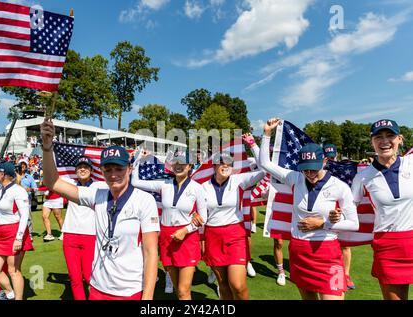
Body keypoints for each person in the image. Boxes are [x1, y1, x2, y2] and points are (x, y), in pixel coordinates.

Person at [41, 118, 159, 300]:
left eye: (118, 168)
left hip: (130, 290)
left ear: (129, 169)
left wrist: (148, 297)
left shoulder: (145, 201)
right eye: (108, 169)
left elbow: (151, 253)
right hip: (97, 288)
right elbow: (53, 182)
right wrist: (47, 148)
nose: (113, 174)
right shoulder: (97, 195)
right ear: (102, 171)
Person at [259, 118, 359, 300]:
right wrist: (267, 133)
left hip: (328, 253)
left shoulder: (340, 186)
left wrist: (323, 224)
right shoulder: (295, 178)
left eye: (314, 169)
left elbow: (354, 224)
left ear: (325, 162)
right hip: (299, 251)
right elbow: (265, 163)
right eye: (306, 169)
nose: (310, 174)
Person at [194, 133, 267, 300]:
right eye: (222, 163)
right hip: (213, 236)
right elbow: (202, 217)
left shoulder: (238, 180)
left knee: (238, 286)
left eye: (229, 163)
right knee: (224, 286)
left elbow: (264, 169)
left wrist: (253, 144)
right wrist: (195, 219)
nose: (226, 166)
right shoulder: (202, 187)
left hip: (235, 235)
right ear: (214, 166)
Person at [131, 149, 207, 300]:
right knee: (177, 290)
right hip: (166, 238)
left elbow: (203, 218)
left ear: (190, 165)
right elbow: (134, 182)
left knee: (184, 291)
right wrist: (138, 159)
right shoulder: (164, 184)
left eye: (183, 163)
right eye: (176, 163)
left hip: (187, 238)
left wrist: (185, 230)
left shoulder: (197, 188)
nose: (179, 166)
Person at [351, 119, 413, 300]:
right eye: (378, 137)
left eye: (390, 135)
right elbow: (349, 210)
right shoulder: (362, 177)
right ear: (372, 142)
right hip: (387, 245)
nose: (384, 141)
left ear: (400, 139)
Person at [60, 156, 107, 300]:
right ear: (75, 170)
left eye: (85, 167)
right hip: (70, 236)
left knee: (89, 275)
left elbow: (121, 180)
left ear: (91, 170)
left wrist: (135, 160)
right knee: (74, 278)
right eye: (79, 167)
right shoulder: (70, 185)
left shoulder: (101, 186)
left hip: (91, 236)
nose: (82, 169)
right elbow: (50, 178)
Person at [0, 161, 34, 300]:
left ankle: (17, 298)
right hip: (1, 235)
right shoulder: (1, 188)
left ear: (3, 174)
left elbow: (25, 215)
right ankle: (9, 292)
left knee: (14, 270)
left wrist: (19, 237)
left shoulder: (18, 190)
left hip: (14, 233)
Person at [323, 143, 356, 290]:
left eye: (332, 156)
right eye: (327, 157)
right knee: (326, 242)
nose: (331, 159)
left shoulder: (347, 168)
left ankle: (346, 274)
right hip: (325, 210)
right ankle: (327, 271)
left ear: (336, 154)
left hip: (342, 209)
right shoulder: (318, 169)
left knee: (346, 245)